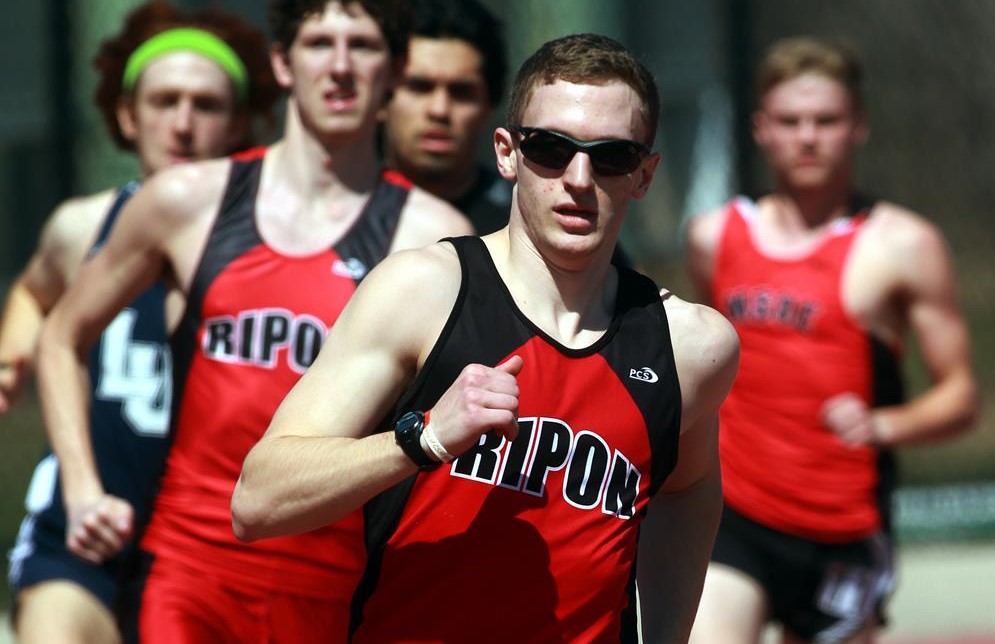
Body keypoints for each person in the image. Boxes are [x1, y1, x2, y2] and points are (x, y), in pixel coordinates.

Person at [233, 32, 740, 643]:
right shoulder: (422, 291)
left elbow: (687, 492)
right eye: (551, 149)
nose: (578, 179)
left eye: (610, 157)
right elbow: (257, 500)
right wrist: (422, 440)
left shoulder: (691, 346)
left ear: (645, 173)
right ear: (507, 152)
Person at [35, 0, 474, 642]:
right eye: (321, 42)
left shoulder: (431, 237)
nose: (341, 67)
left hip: (334, 587)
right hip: (189, 572)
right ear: (282, 61)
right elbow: (62, 335)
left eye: (365, 46)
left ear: (395, 68)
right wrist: (80, 487)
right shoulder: (188, 202)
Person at [685, 36, 979, 644]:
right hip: (732, 515)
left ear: (858, 126)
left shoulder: (903, 246)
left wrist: (883, 425)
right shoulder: (714, 236)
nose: (809, 137)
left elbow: (961, 397)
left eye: (827, 120)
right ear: (762, 129)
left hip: (842, 530)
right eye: (791, 121)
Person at [2, 2, 279, 642]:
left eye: (206, 106)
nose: (182, 125)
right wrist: (14, 345)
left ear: (240, 121)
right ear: (128, 115)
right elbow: (33, 291)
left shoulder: (270, 249)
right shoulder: (83, 227)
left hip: (210, 548)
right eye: (164, 102)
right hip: (84, 531)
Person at [379, 0, 510, 235]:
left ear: (489, 104)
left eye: (461, 92)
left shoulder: (518, 224)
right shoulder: (340, 214)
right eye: (419, 87)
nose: (439, 110)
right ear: (382, 95)